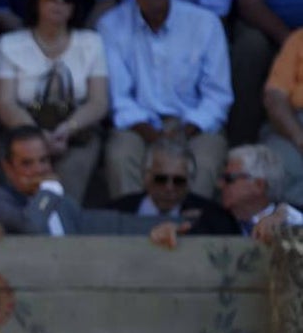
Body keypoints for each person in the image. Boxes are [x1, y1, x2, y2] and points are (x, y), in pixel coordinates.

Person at [96, 0, 231, 201]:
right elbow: (119, 98)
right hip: (137, 125)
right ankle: (134, 231)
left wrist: (184, 131)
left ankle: (193, 229)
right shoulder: (110, 25)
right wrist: (152, 134)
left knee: (205, 161)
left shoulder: (205, 23)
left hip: (194, 124)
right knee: (120, 156)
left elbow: (217, 97)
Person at [0, 0, 108, 202]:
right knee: (24, 168)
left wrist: (67, 129)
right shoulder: (10, 44)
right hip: (23, 130)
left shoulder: (91, 43)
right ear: (36, 0)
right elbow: (5, 103)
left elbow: (99, 102)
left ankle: (62, 234)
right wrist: (38, 137)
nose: (58, 3)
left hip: (76, 133)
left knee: (69, 181)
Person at [0, 124, 160, 239]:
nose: (40, 170)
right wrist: (48, 191)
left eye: (44, 160)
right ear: (7, 168)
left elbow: (107, 225)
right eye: (27, 163)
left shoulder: (64, 204)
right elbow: (31, 228)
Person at [151, 144, 303, 247]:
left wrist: (284, 218)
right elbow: (192, 238)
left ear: (258, 185)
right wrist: (174, 233)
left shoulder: (290, 214)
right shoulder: (214, 218)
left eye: (229, 179)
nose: (219, 184)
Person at [230, 0, 303, 146]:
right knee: (251, 47)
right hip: (268, 29)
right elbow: (250, 4)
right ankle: (242, 144)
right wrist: (290, 42)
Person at [109, 137, 236, 234]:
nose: (169, 188)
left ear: (190, 182)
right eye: (161, 179)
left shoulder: (213, 218)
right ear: (145, 177)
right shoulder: (116, 211)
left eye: (178, 181)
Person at [261, 27, 303, 209]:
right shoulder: (298, 39)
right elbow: (275, 96)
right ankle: (292, 228)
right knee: (277, 165)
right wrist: (299, 138)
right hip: (296, 125)